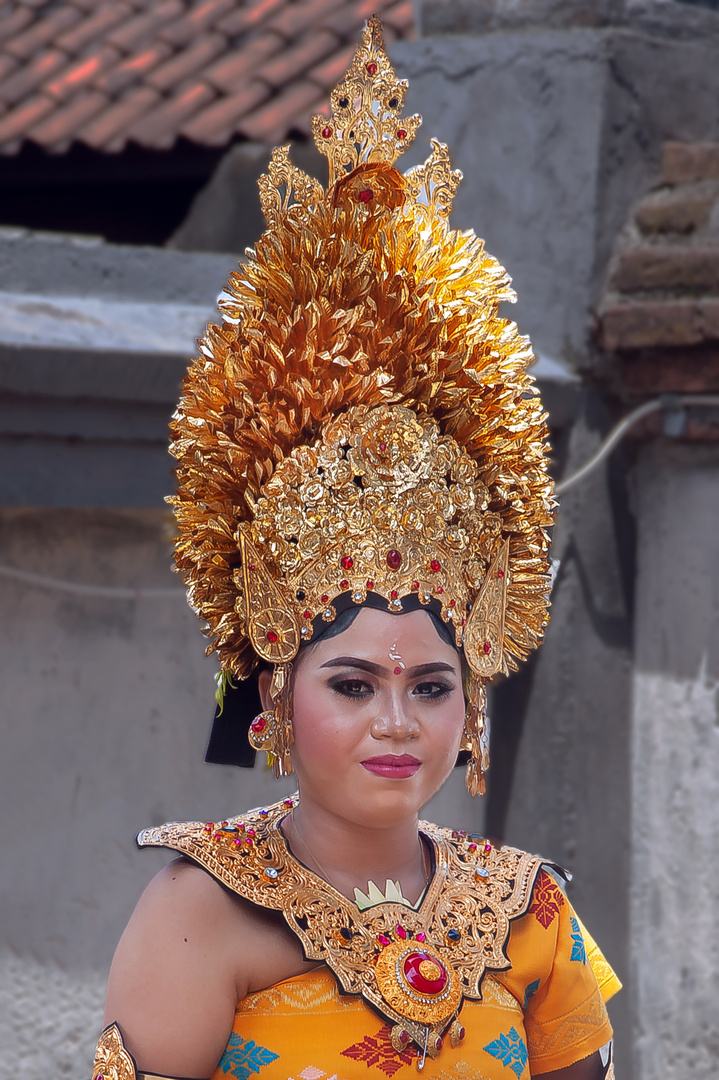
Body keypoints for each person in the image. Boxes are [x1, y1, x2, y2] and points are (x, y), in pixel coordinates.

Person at [91, 18, 620, 1080]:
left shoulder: (529, 909)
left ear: (471, 702)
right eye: (352, 681)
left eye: (429, 685)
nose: (396, 721)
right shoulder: (203, 907)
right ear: (274, 690)